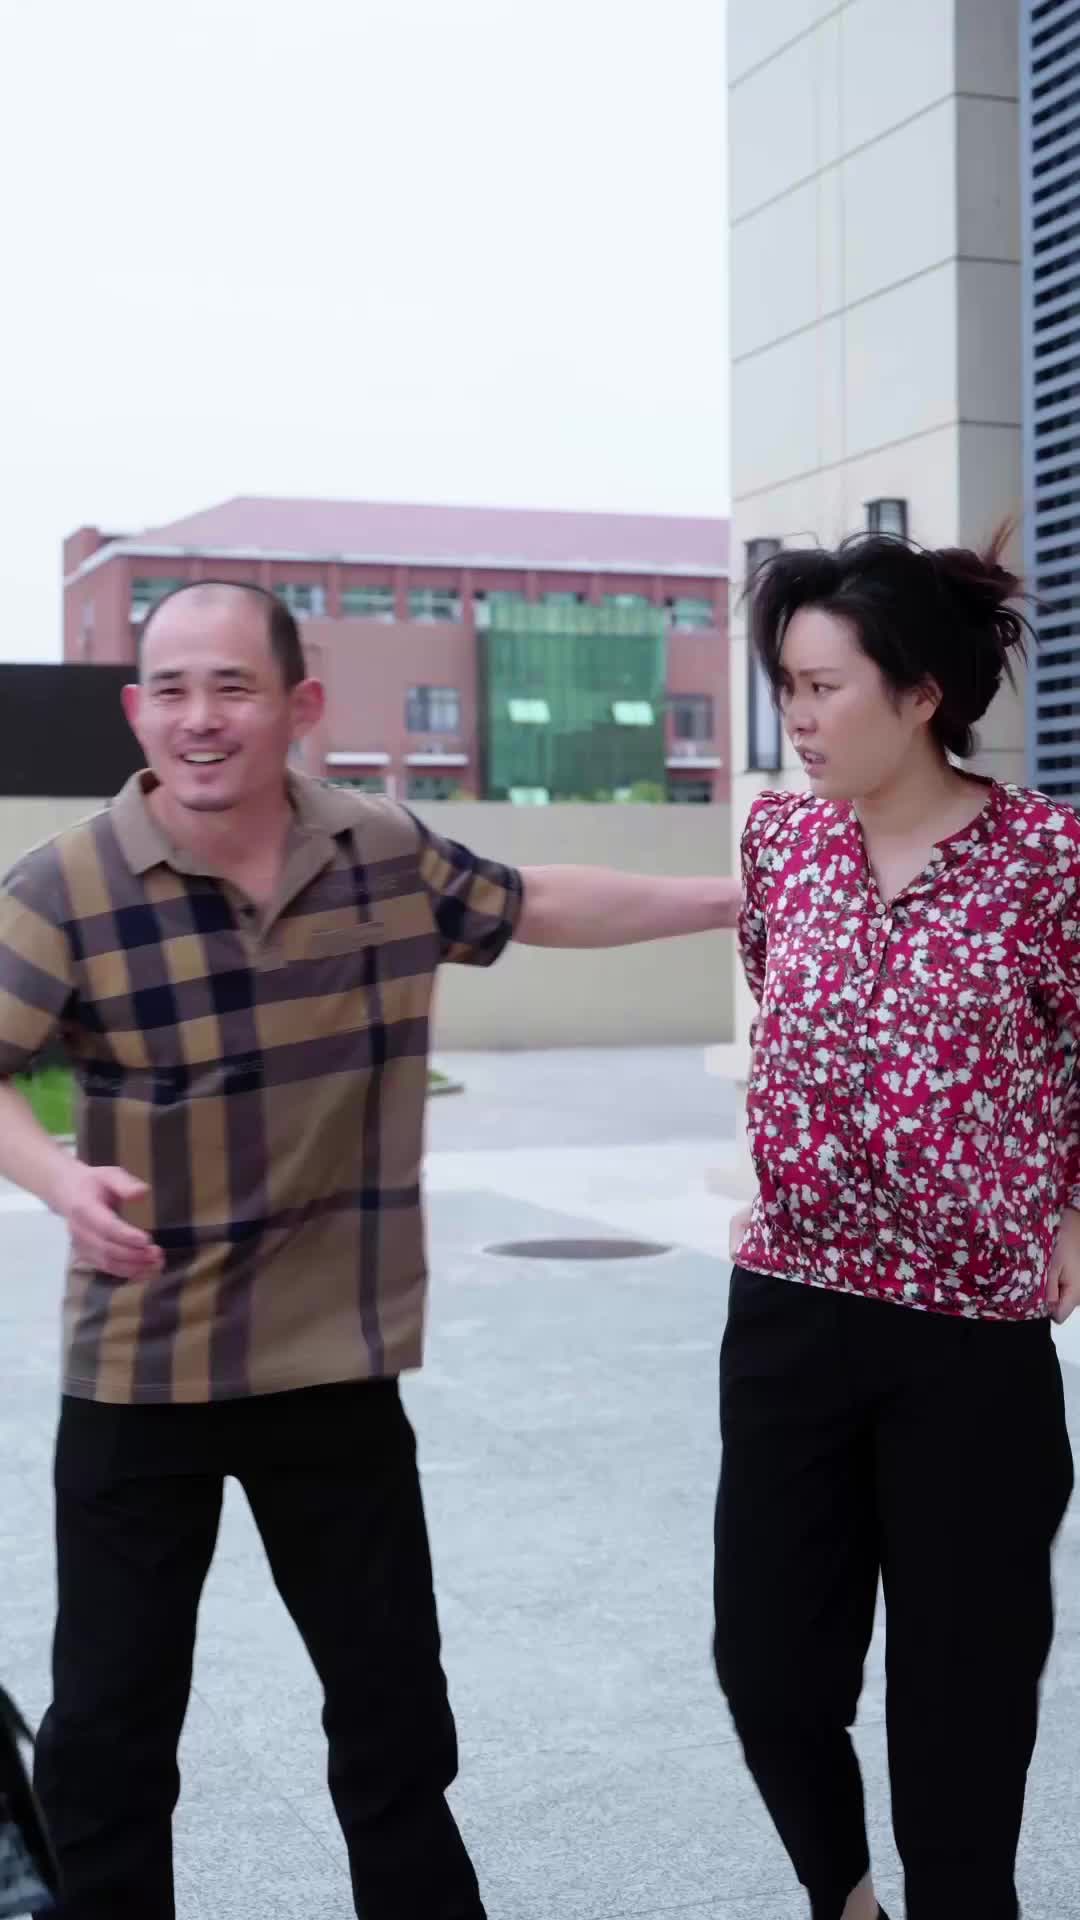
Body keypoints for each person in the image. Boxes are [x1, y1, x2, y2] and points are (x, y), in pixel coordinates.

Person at [0, 580, 740, 1920]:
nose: (200, 718)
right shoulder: (65, 887)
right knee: (108, 1738)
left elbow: (535, 901)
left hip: (333, 1358)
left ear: (301, 703)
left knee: (394, 1719)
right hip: (142, 1369)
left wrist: (742, 898)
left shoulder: (378, 852)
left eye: (232, 686)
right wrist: (59, 1178)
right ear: (136, 710)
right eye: (172, 690)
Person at [717, 530, 1078, 1920]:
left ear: (922, 694)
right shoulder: (781, 840)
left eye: (824, 689)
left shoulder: (1048, 859)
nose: (799, 720)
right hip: (793, 1308)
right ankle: (847, 1898)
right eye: (787, 689)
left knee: (959, 1715)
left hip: (972, 1341)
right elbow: (787, 1004)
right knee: (767, 1669)